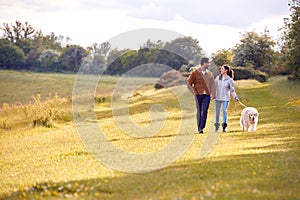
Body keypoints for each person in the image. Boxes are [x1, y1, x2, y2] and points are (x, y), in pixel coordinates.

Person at [187, 57, 216, 134]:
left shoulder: (209, 74)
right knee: (199, 111)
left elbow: (213, 84)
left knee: (205, 110)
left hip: (207, 95)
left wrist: (214, 94)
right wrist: (195, 93)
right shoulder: (194, 73)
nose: (209, 64)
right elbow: (189, 84)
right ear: (204, 63)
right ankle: (199, 127)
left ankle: (201, 127)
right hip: (198, 95)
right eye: (208, 63)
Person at [214, 65, 239, 132]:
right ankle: (217, 127)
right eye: (221, 69)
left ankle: (224, 127)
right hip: (217, 98)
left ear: (226, 70)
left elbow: (232, 90)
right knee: (217, 112)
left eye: (222, 69)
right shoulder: (217, 78)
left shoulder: (229, 80)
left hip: (225, 98)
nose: (221, 70)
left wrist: (235, 97)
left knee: (224, 111)